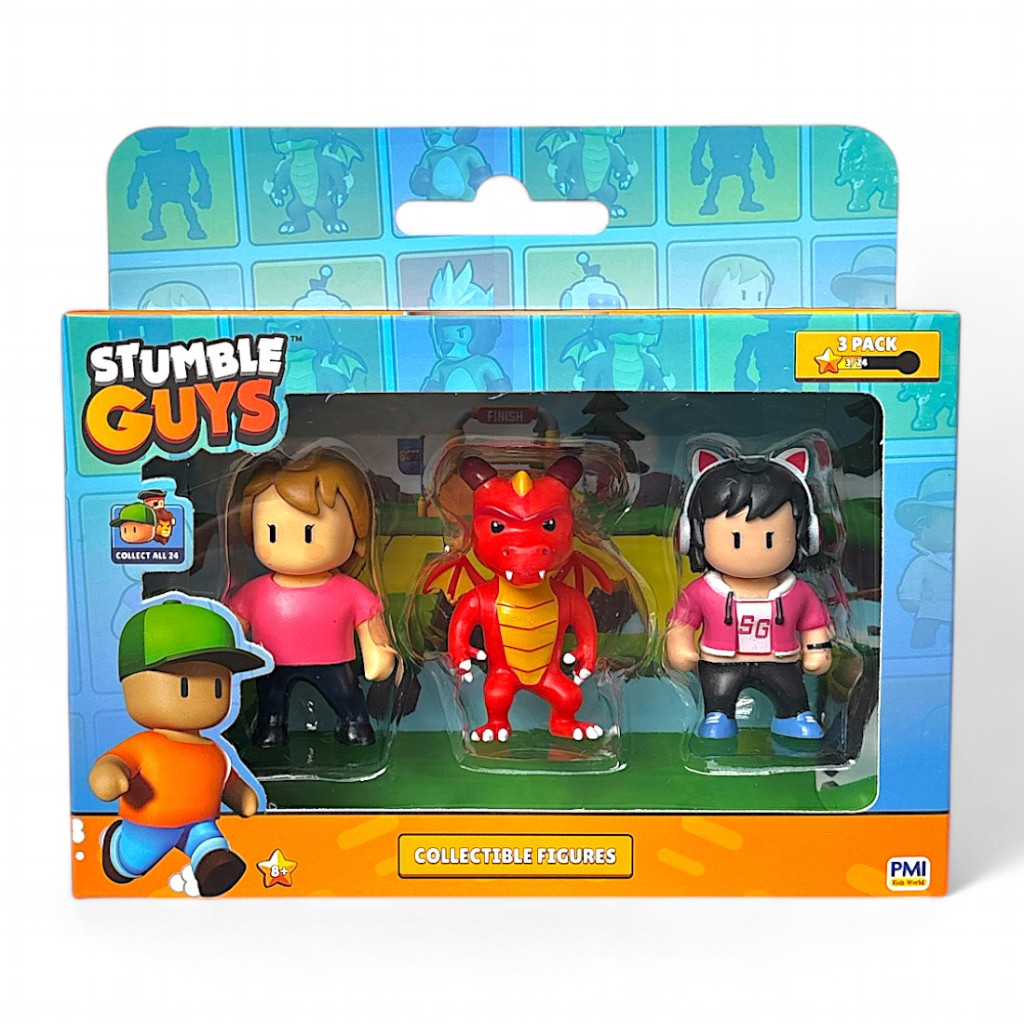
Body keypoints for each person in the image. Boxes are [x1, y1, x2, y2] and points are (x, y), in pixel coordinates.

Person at [89, 600, 265, 897]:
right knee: (132, 863)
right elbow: (113, 763)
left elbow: (228, 782)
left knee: (211, 844)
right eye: (184, 684)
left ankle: (212, 865)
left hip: (201, 824)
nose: (204, 695)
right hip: (151, 825)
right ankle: (116, 844)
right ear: (132, 683)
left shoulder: (214, 751)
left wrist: (243, 797)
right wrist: (110, 776)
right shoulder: (146, 746)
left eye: (217, 685)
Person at [229, 450, 396, 748]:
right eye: (271, 532)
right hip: (272, 662)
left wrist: (378, 655)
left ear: (356, 531)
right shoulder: (256, 592)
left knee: (345, 694)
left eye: (310, 534)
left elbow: (369, 625)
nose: (293, 547)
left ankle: (355, 723)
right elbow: (234, 625)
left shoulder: (349, 590)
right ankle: (270, 727)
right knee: (270, 697)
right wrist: (228, 656)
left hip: (333, 661)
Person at [665, 448, 832, 740]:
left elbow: (813, 624)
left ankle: (793, 716)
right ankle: (718, 715)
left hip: (780, 661)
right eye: (736, 539)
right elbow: (682, 623)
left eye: (770, 539)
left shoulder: (798, 592)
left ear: (806, 536)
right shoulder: (703, 591)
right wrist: (679, 647)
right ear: (691, 535)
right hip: (721, 662)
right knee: (719, 698)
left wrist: (817, 650)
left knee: (792, 694)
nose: (753, 551)